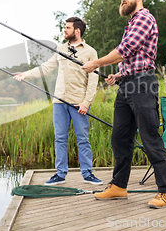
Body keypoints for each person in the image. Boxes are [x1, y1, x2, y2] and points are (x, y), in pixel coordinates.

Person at [81, 0, 166, 208]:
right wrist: (119, 76)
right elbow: (131, 60)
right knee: (120, 137)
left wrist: (96, 62)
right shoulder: (131, 23)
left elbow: (125, 50)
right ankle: (119, 187)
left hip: (142, 85)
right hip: (128, 86)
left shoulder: (144, 18)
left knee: (150, 137)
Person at [13, 17, 103, 186]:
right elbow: (46, 68)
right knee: (60, 138)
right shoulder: (60, 49)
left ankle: (87, 174)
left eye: (67, 28)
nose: (64, 30)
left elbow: (93, 80)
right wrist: (25, 75)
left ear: (77, 30)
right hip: (59, 101)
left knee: (82, 138)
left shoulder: (90, 52)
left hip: (78, 103)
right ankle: (60, 174)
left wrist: (86, 103)